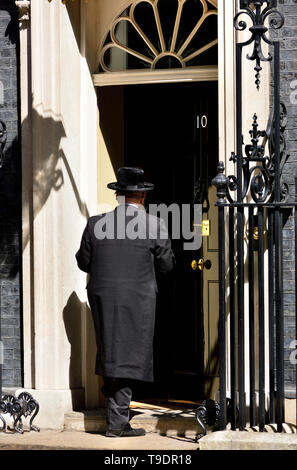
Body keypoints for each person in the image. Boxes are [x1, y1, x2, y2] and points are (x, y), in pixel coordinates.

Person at [76, 167, 175, 437]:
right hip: (138, 300)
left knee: (111, 352)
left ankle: (117, 414)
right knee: (129, 356)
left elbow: (83, 261)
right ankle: (117, 423)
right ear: (142, 196)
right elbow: (167, 265)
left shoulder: (96, 223)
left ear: (118, 195)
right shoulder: (154, 224)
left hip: (102, 298)